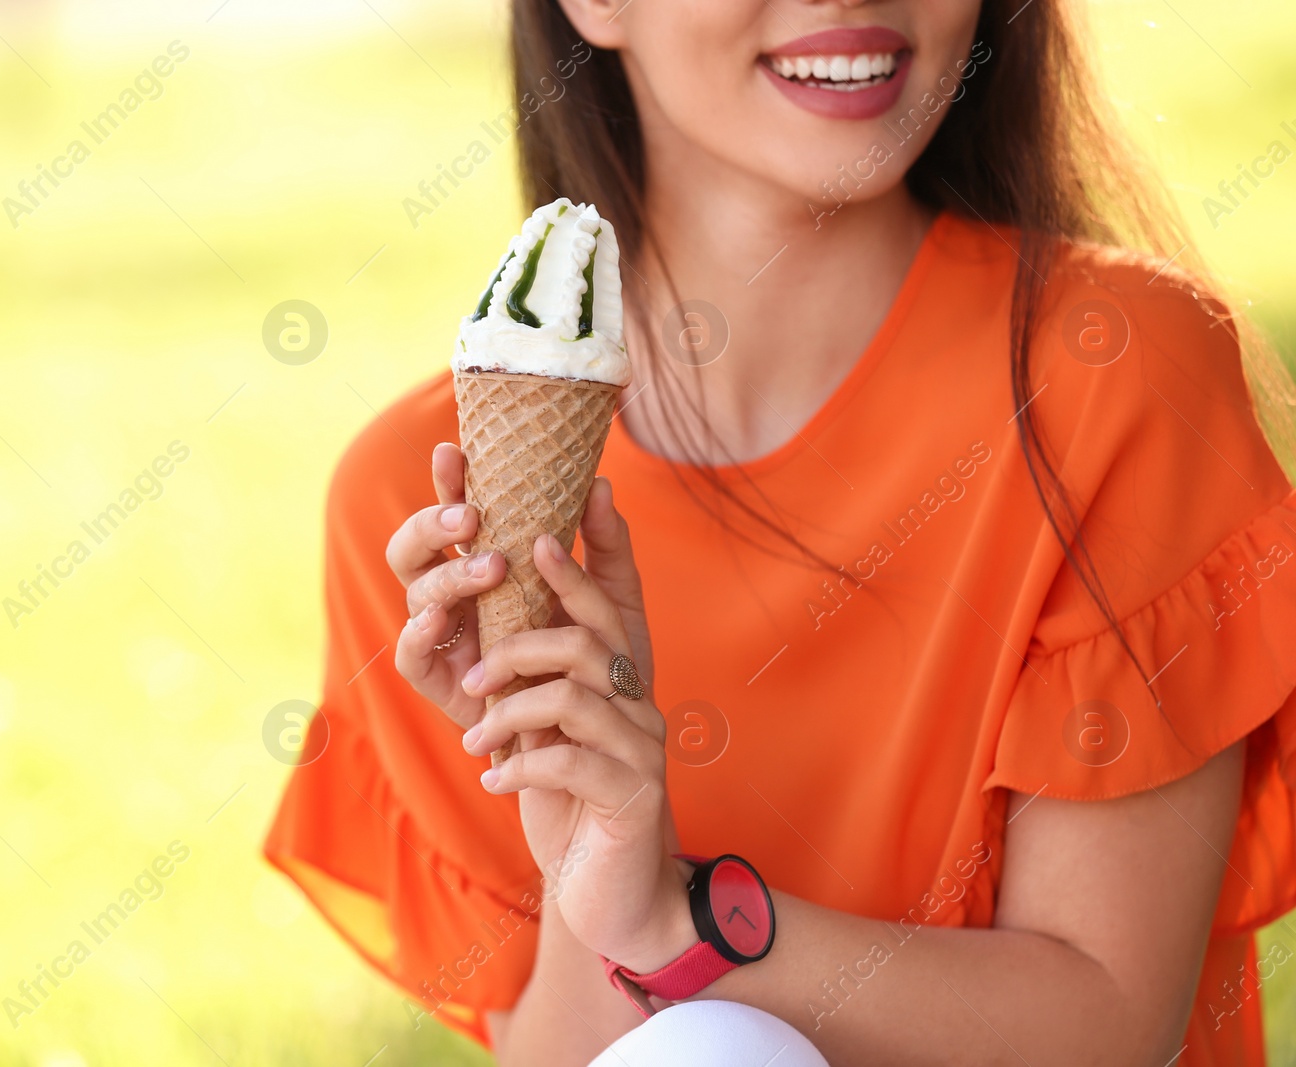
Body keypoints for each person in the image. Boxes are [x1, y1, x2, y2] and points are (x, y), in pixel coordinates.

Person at [264, 0, 1296, 1063]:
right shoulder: (425, 512)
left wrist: (676, 921)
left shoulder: (1113, 373)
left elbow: (1108, 1024)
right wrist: (591, 842)